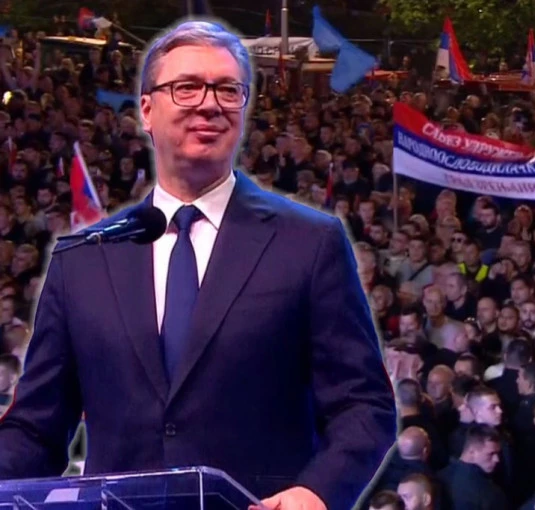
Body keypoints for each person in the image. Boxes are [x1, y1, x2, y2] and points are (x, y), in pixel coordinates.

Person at [0, 20, 397, 510]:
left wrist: (316, 493)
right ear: (147, 110)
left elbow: (364, 405)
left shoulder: (309, 243)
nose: (209, 104)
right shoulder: (83, 260)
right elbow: (35, 429)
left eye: (228, 90)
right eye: (187, 87)